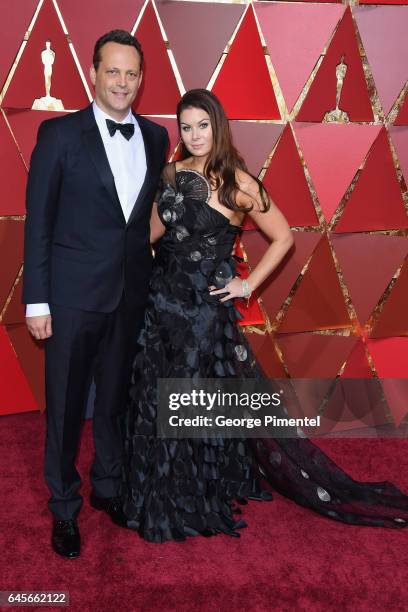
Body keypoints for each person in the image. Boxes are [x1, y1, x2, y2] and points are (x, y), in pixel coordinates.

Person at [122, 89, 408, 543]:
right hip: (160, 306)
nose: (194, 135)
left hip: (203, 316)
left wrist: (246, 284)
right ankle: (152, 488)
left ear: (218, 126)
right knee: (154, 396)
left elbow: (283, 238)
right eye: (186, 126)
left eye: (203, 125)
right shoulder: (172, 173)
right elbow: (152, 232)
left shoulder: (241, 183)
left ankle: (188, 495)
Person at [23, 30, 169, 558]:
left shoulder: (156, 138)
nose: (123, 82)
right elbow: (38, 222)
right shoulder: (58, 135)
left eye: (132, 73)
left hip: (130, 296)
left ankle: (108, 487)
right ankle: (64, 506)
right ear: (93, 72)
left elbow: (144, 223)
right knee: (64, 409)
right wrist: (37, 302)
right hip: (70, 297)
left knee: (113, 402)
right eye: (114, 71)